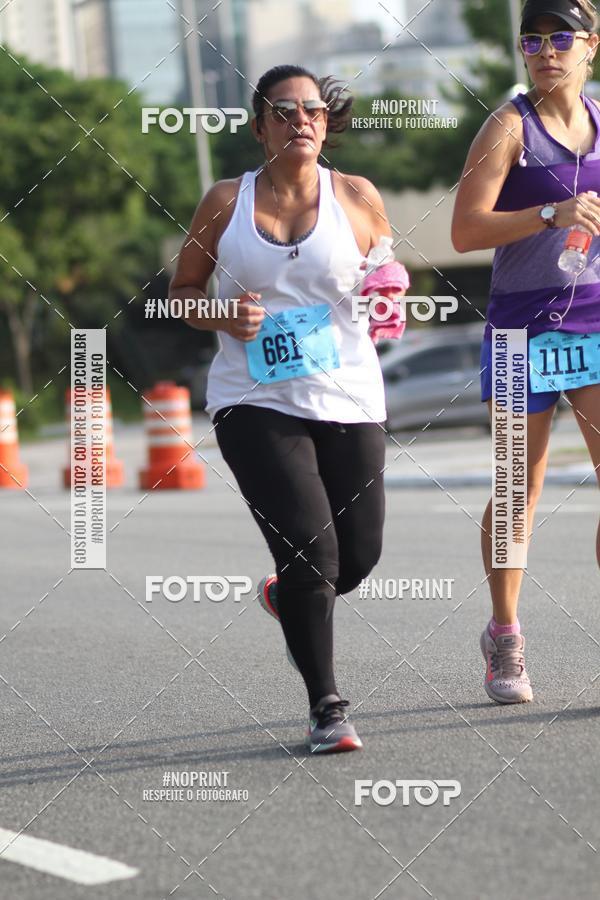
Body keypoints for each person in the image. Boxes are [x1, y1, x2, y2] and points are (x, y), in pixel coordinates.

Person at [169, 65, 407, 752]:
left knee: (356, 557)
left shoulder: (357, 195)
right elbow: (182, 290)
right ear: (258, 125)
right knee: (312, 552)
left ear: (326, 124)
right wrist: (220, 316)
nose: (301, 120)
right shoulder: (224, 201)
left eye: (312, 110)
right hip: (253, 400)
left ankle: (289, 595)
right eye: (284, 111)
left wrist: (387, 291)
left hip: (348, 393)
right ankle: (327, 707)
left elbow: (385, 275)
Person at [452, 0, 600, 704]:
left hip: (596, 323)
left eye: (561, 37)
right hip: (521, 329)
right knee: (519, 488)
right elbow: (464, 229)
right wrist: (550, 212)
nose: (546, 50)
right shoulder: (509, 126)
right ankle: (505, 635)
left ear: (591, 46)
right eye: (532, 39)